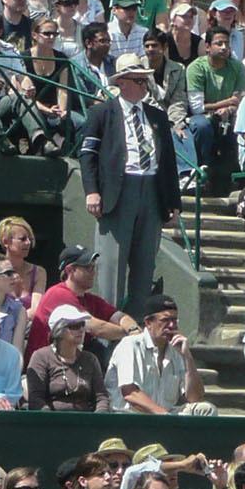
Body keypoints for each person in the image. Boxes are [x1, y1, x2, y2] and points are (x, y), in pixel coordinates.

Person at [79, 52, 178, 315]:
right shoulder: (102, 113)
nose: (145, 86)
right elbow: (87, 154)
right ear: (122, 82)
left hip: (151, 192)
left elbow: (168, 162)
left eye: (146, 81)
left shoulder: (157, 116)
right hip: (118, 193)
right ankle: (110, 330)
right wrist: (92, 192)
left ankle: (137, 323)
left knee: (145, 266)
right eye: (138, 80)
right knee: (112, 266)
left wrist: (173, 203)